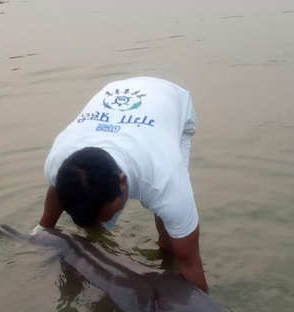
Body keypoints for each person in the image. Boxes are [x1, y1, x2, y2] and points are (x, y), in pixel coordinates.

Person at [37, 76, 208, 292]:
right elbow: (57, 189)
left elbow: (192, 264)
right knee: (89, 217)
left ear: (123, 182)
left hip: (169, 99)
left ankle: (165, 262)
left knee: (171, 234)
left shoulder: (165, 179)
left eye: (106, 213)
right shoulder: (58, 161)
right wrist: (43, 231)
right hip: (116, 91)